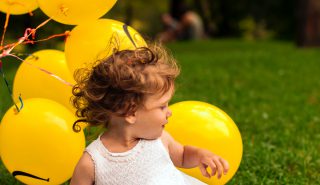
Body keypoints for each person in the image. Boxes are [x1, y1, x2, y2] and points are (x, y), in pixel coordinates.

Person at [69, 43, 229, 185]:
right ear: (130, 112)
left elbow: (183, 155)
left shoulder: (159, 139)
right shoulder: (92, 163)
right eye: (162, 107)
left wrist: (202, 156)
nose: (169, 112)